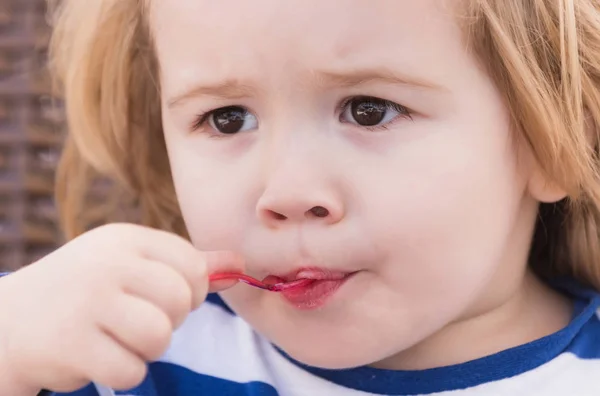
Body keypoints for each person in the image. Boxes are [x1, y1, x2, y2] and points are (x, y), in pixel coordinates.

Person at [1, 0, 600, 395]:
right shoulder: (131, 360)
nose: (285, 192)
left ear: (553, 141)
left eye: (369, 111)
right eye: (227, 119)